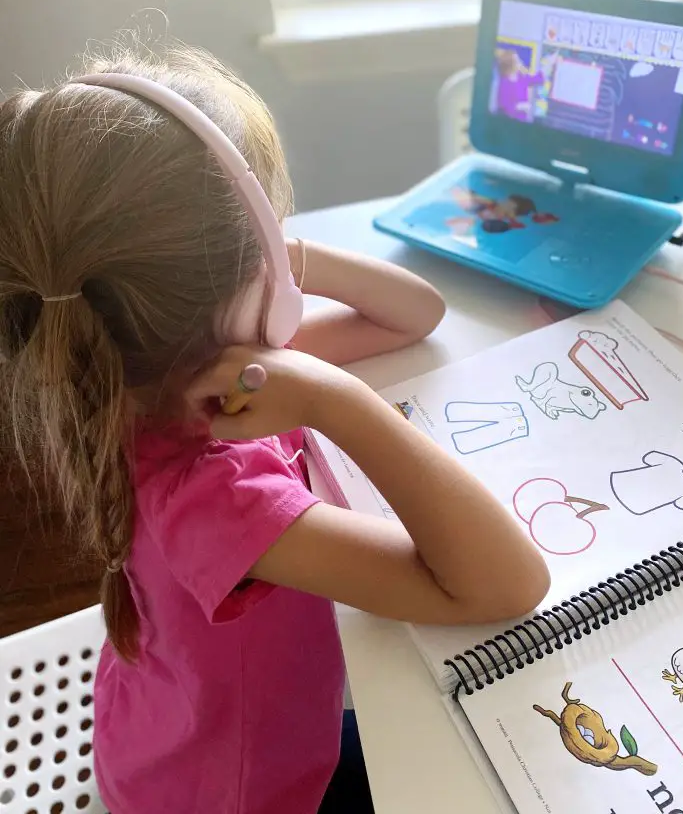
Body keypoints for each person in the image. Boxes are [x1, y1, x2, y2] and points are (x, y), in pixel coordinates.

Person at [0, 42, 551, 814]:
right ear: (226, 284)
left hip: (163, 731)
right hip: (247, 790)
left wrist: (277, 254)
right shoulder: (215, 493)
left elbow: (415, 314)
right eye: (269, 233)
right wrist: (335, 401)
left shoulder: (131, 375)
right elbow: (508, 583)